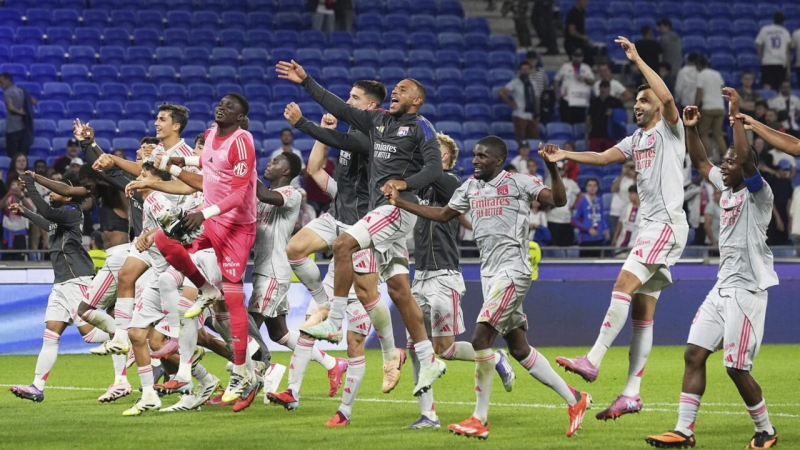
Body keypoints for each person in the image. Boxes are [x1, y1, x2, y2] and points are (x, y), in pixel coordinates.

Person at [385, 138, 590, 439]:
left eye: (483, 156)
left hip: (513, 272)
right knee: (519, 348)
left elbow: (558, 200)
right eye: (475, 155)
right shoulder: (469, 187)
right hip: (490, 275)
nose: (476, 160)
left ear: (498, 160)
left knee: (481, 338)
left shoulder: (519, 182)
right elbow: (442, 215)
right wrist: (401, 203)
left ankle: (479, 419)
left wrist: (551, 168)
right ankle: (576, 399)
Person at [276, 60, 447, 397]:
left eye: (403, 90)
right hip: (371, 216)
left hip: (392, 210)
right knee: (397, 291)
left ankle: (337, 321)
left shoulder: (420, 127)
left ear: (417, 100)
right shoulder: (378, 122)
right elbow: (338, 108)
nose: (396, 91)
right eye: (395, 88)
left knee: (349, 255)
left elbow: (434, 168)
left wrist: (405, 183)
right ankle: (424, 358)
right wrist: (306, 80)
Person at [544, 36, 688, 420]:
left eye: (644, 100)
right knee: (642, 311)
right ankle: (631, 394)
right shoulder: (637, 139)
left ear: (657, 105)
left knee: (622, 284)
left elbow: (668, 98)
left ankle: (593, 359)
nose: (637, 105)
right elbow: (603, 157)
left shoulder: (670, 130)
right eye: (636, 101)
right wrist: (565, 154)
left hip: (665, 225)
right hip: (651, 228)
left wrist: (637, 59)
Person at [644, 90, 779, 450]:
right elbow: (703, 163)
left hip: (747, 292)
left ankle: (766, 430)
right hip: (721, 289)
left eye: (731, 162)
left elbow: (746, 159)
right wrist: (691, 129)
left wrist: (735, 116)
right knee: (694, 354)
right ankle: (683, 431)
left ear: (746, 167)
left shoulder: (759, 194)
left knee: (736, 368)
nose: (725, 165)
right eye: (726, 161)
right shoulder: (728, 187)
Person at [282, 82, 411, 395]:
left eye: (354, 98)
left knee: (364, 310)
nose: (347, 102)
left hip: (362, 230)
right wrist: (323, 134)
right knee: (295, 249)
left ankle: (390, 353)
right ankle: (291, 391)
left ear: (370, 107)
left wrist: (306, 124)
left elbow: (341, 139)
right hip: (338, 212)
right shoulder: (351, 133)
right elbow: (315, 169)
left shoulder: (374, 136)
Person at [153, 94, 262, 409]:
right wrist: (176, 164)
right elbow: (206, 163)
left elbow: (240, 193)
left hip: (237, 227)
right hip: (213, 219)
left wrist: (204, 213)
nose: (222, 107)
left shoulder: (243, 141)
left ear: (240, 117)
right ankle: (205, 288)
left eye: (231, 107)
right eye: (222, 103)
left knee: (233, 297)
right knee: (164, 239)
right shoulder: (213, 134)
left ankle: (241, 370)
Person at [404, 133, 516, 429]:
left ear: (446, 158)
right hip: (420, 274)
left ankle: (495, 357)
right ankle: (428, 415)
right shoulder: (421, 186)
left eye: (433, 152)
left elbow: (434, 179)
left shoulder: (453, 183)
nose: (427, 156)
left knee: (444, 349)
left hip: (444, 275)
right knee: (415, 346)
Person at [251, 153, 348, 412]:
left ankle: (260, 373)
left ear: (286, 171)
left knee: (247, 329)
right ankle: (332, 363)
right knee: (279, 334)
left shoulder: (291, 193)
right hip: (262, 269)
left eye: (275, 162)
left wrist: (243, 167)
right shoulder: (262, 198)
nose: (269, 164)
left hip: (273, 272)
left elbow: (264, 194)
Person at [8, 172, 96, 402]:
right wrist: (26, 212)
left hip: (77, 279)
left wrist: (31, 185)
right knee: (50, 336)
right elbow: (48, 224)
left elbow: (47, 213)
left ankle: (134, 337)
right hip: (61, 283)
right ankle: (37, 387)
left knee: (90, 335)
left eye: (56, 190)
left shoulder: (72, 211)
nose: (51, 193)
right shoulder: (62, 218)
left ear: (68, 195)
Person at [499, 62, 541, 143]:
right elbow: (501, 92)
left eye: (527, 69)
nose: (525, 71)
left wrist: (537, 112)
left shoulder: (533, 83)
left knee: (536, 138)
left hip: (531, 115)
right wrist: (511, 103)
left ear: (530, 71)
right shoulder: (515, 82)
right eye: (523, 69)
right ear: (520, 71)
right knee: (520, 138)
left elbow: (536, 98)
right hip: (519, 114)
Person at [695, 55, 727, 161]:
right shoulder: (717, 74)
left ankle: (709, 158)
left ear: (699, 65)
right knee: (718, 134)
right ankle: (727, 158)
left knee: (703, 133)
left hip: (708, 108)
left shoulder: (701, 75)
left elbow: (699, 93)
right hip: (720, 108)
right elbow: (724, 90)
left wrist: (696, 106)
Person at [555, 48, 595, 124]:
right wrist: (556, 94)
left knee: (579, 123)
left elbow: (592, 81)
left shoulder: (586, 68)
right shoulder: (565, 66)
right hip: (567, 100)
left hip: (580, 99)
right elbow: (556, 80)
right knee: (566, 123)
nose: (577, 58)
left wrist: (585, 79)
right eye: (575, 56)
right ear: (572, 56)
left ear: (582, 57)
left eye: (579, 56)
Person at [545, 162, 580, 247]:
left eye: (560, 169)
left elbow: (579, 195)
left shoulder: (571, 183)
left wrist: (573, 207)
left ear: (565, 170)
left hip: (566, 219)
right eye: (557, 169)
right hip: (552, 218)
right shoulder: (549, 180)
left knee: (567, 245)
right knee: (553, 246)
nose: (559, 171)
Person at [572, 177, 609, 257]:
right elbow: (574, 220)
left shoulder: (599, 200)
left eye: (594, 186)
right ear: (586, 188)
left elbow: (602, 216)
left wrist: (605, 228)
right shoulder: (581, 202)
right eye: (590, 185)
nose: (592, 188)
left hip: (599, 238)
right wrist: (588, 229)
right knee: (586, 262)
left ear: (597, 187)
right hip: (586, 239)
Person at [0, 72, 34, 157]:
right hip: (24, 128)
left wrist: (21, 112)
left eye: (1, 82)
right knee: (22, 156)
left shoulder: (7, 92)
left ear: (8, 80)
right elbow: (34, 101)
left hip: (13, 129)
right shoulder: (21, 90)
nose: (0, 85)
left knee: (13, 157)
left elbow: (10, 107)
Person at [586, 80, 625, 153]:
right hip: (595, 134)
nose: (604, 90)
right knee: (594, 157)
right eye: (602, 87)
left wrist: (614, 113)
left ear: (609, 89)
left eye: (606, 87)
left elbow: (622, 116)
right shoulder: (594, 102)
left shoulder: (616, 102)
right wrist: (586, 135)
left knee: (610, 157)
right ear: (599, 88)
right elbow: (589, 119)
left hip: (610, 136)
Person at [755, 12, 791, 90]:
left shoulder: (765, 29)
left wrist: (761, 57)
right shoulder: (785, 31)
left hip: (767, 61)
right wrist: (788, 67)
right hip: (781, 62)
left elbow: (758, 44)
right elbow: (787, 51)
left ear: (773, 19)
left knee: (767, 85)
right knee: (780, 87)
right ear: (783, 21)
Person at [0, 177, 33, 260]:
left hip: (20, 234)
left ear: (21, 186)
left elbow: (31, 210)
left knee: (20, 258)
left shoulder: (26, 198)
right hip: (7, 233)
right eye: (13, 185)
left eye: (17, 185)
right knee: (7, 259)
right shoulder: (8, 199)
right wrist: (8, 194)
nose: (15, 187)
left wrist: (21, 196)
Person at [608, 160, 636, 234]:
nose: (629, 168)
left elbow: (637, 192)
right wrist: (622, 174)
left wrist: (634, 176)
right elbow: (613, 189)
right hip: (616, 212)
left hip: (629, 212)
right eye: (627, 166)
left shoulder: (637, 180)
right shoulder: (620, 179)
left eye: (632, 167)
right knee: (614, 235)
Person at [612, 184, 641, 251]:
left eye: (631, 193)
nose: (629, 196)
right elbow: (620, 223)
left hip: (636, 243)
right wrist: (615, 237)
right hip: (622, 241)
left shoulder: (645, 210)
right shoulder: (626, 207)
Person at [564, 0, 592, 64]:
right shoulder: (572, 13)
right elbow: (572, 32)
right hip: (572, 43)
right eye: (584, 1)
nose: (586, 3)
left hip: (581, 42)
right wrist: (584, 37)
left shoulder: (582, 13)